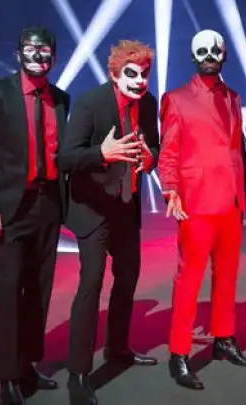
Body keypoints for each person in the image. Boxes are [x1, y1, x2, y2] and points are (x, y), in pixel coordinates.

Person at [0, 25, 68, 405]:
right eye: (30, 49)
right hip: (9, 208)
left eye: (45, 51)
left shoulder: (61, 99)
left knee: (39, 290)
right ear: (18, 53)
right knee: (9, 292)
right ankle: (8, 376)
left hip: (49, 205)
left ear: (54, 57)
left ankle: (27, 366)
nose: (37, 56)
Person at [58, 39, 159, 405]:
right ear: (115, 75)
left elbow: (155, 148)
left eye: (144, 74)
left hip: (126, 207)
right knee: (91, 283)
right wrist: (102, 153)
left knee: (127, 277)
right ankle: (78, 373)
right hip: (93, 209)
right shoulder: (90, 103)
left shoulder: (148, 103)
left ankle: (117, 348)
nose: (139, 81)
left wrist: (149, 159)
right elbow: (66, 159)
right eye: (131, 74)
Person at [159, 29, 246, 391]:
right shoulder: (176, 99)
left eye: (215, 50)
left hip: (231, 201)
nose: (209, 56)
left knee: (227, 276)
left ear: (224, 54)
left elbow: (236, 150)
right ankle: (179, 353)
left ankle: (224, 339)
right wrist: (170, 189)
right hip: (196, 202)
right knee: (189, 280)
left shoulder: (233, 96)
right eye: (201, 51)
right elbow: (168, 151)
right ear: (193, 56)